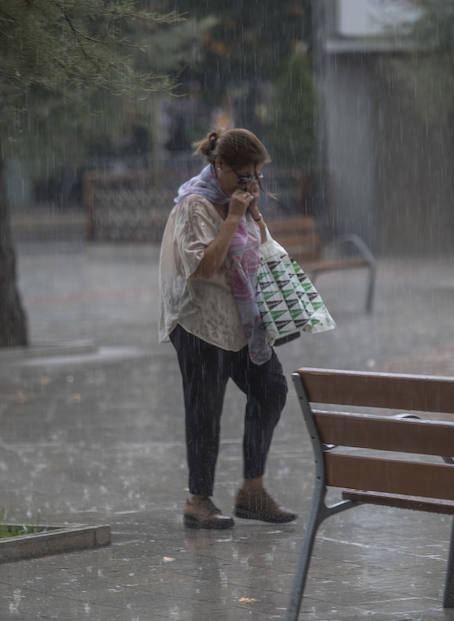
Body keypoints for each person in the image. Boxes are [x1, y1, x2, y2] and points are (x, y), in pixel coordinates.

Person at [159, 128, 297, 529]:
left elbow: (260, 251)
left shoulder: (239, 199)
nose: (250, 183)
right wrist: (234, 217)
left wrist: (252, 216)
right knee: (205, 410)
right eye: (243, 176)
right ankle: (197, 500)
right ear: (218, 166)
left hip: (241, 320)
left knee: (270, 389)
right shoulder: (195, 205)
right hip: (200, 321)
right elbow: (203, 267)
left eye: (255, 176)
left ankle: (252, 490)